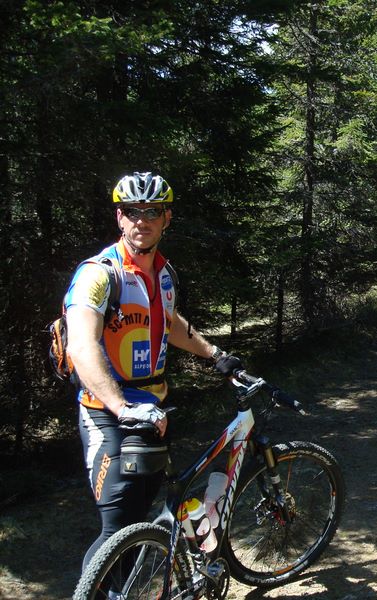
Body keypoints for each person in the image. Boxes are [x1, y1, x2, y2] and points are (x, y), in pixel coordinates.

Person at [66, 171, 243, 571]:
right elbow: (81, 344)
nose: (141, 220)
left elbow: (169, 322)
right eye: (132, 211)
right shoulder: (99, 274)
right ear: (119, 217)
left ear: (167, 218)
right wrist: (121, 406)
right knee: (117, 528)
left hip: (154, 410)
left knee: (138, 519)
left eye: (152, 212)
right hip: (107, 414)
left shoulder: (164, 273)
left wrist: (215, 354)